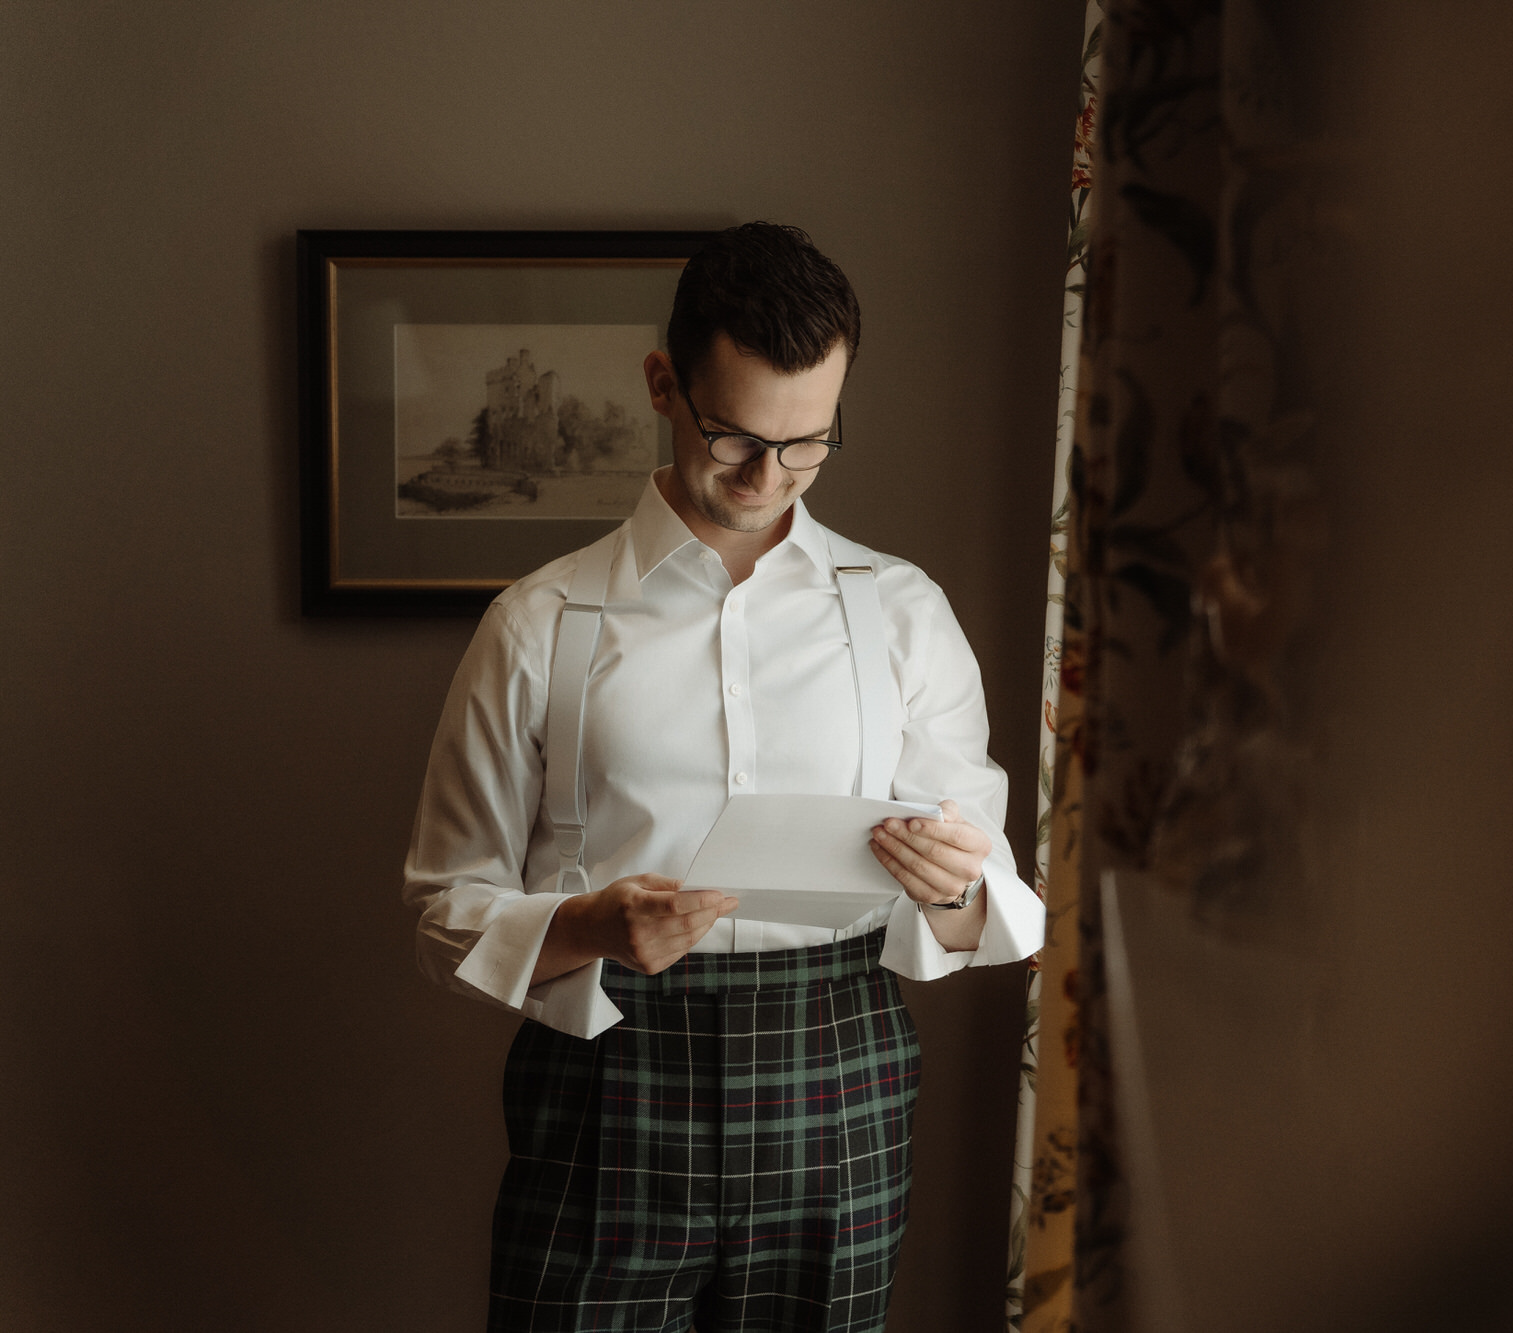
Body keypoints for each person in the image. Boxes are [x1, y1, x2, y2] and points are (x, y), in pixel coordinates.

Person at [402, 222, 1045, 1333]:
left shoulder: (901, 613)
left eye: (808, 442)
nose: (768, 476)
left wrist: (950, 883)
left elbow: (974, 892)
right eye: (737, 436)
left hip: (836, 1069)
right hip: (608, 1077)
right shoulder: (537, 623)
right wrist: (589, 928)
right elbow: (443, 910)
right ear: (664, 384)